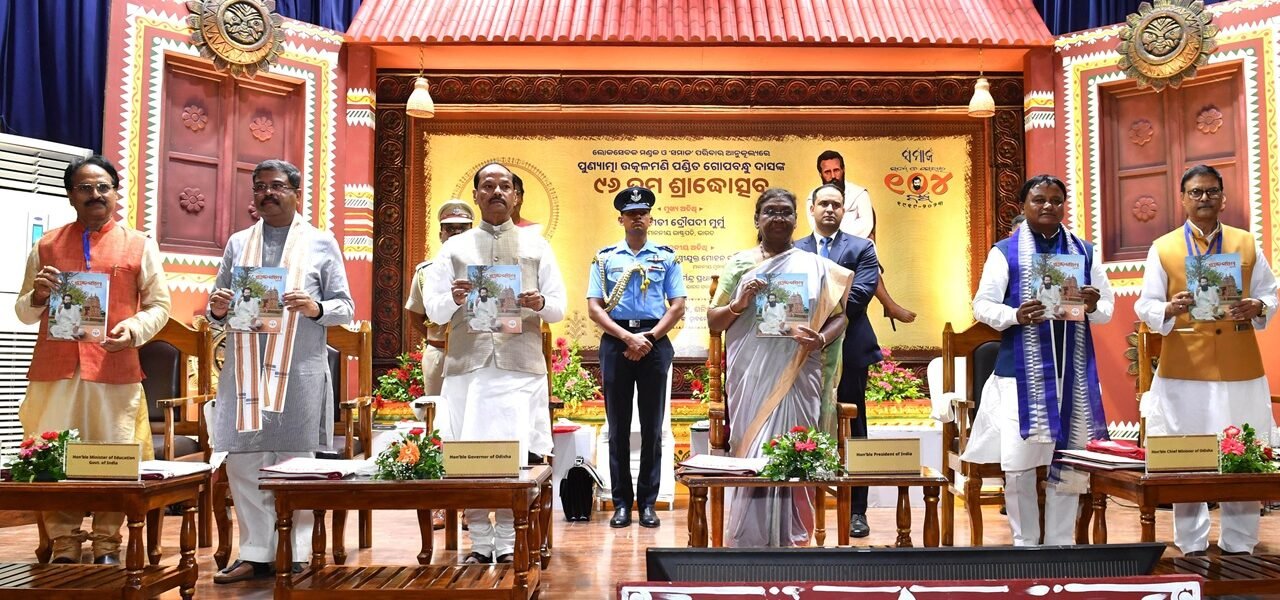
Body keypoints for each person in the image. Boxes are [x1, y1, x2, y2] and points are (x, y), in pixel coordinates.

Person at [15, 155, 171, 564]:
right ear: (71, 196)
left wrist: (134, 330)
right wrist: (39, 296)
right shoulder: (46, 245)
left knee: (113, 454)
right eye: (85, 188)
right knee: (54, 454)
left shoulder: (140, 244)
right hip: (56, 371)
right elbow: (23, 311)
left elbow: (159, 306)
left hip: (113, 368)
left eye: (103, 187)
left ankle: (106, 541)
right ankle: (64, 541)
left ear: (116, 193)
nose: (95, 195)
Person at [209, 159, 355, 583]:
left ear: (296, 193)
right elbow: (217, 309)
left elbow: (345, 307)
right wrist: (217, 309)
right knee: (242, 463)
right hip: (246, 370)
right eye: (259, 187)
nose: (266, 194)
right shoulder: (238, 243)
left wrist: (316, 308)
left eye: (276, 186)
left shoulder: (321, 243)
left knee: (295, 464)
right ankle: (255, 552)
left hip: (299, 371)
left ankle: (298, 551)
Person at [421, 162, 566, 564]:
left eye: (505, 186)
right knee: (468, 455)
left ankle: (507, 540)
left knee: (514, 456)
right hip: (469, 367)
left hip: (519, 368)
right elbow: (434, 310)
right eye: (488, 186)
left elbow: (558, 307)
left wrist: (540, 303)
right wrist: (453, 296)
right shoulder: (455, 249)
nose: (497, 192)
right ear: (477, 196)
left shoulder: (537, 246)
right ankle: (480, 543)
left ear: (517, 196)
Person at [1135, 164, 1277, 557]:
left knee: (1243, 454)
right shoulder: (1163, 247)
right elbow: (1145, 305)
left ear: (1223, 197)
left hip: (1240, 368)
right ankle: (1192, 543)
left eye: (1211, 191)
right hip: (1185, 369)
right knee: (1187, 455)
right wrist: (1169, 306)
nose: (1204, 199)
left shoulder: (1246, 243)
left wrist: (1258, 305)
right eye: (1196, 192)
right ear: (1182, 199)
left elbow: (1270, 292)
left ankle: (1240, 542)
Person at [964, 174, 1113, 546]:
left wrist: (1093, 305)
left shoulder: (1085, 252)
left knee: (1070, 460)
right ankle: (1025, 543)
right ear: (1023, 206)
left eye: (1055, 200)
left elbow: (1107, 309)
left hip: (1072, 373)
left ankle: (1060, 543)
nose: (1048, 206)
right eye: (1039, 200)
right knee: (1019, 463)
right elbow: (981, 305)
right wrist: (1016, 315)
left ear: (1064, 205)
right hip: (1021, 375)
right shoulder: (1005, 251)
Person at [707, 188, 851, 547]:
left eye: (785, 212)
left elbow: (840, 318)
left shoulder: (814, 265)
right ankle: (748, 540)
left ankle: (795, 539)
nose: (778, 218)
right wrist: (739, 303)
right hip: (752, 378)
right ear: (757, 219)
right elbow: (714, 321)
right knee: (754, 452)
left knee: (795, 451)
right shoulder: (741, 264)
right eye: (769, 211)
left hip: (800, 374)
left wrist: (819, 339)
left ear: (795, 219)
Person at [587, 186, 686, 529]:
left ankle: (647, 503)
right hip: (617, 341)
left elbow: (677, 306)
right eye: (631, 214)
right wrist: (627, 337)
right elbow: (594, 307)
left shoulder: (667, 257)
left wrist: (649, 338)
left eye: (643, 212)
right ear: (621, 219)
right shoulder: (604, 258)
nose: (637, 218)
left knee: (653, 429)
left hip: (654, 342)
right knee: (618, 428)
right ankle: (620, 503)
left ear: (650, 218)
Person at [795, 183, 882, 539]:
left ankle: (856, 511)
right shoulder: (793, 249)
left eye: (837, 205)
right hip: (799, 350)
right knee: (798, 425)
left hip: (849, 349)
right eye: (824, 204)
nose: (830, 210)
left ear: (843, 211)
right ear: (811, 208)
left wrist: (815, 314)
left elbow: (859, 296)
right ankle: (795, 507)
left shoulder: (862, 248)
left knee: (853, 429)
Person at [807, 150, 916, 325]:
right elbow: (818, 227)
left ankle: (888, 305)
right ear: (821, 174)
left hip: (854, 248)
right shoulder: (813, 197)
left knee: (865, 249)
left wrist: (840, 233)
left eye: (837, 170)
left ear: (843, 170)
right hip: (826, 249)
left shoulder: (859, 193)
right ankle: (888, 304)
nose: (833, 176)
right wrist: (844, 229)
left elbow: (866, 224)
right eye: (827, 172)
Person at [405, 199, 475, 395]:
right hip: (439, 354)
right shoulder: (426, 272)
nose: (456, 233)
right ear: (440, 234)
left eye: (463, 228)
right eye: (450, 228)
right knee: (436, 414)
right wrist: (437, 338)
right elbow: (415, 314)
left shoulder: (483, 271)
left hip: (474, 353)